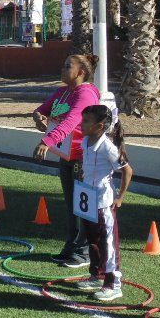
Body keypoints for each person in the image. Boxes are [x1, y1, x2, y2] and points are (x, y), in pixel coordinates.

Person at [32, 55, 101, 268]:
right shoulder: (64, 92)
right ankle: (71, 246)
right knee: (72, 205)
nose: (62, 69)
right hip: (66, 156)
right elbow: (44, 109)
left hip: (83, 158)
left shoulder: (86, 94)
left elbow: (72, 122)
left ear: (81, 72)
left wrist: (47, 141)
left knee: (83, 206)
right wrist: (37, 116)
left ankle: (85, 252)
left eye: (67, 66)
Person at [74, 105, 133, 302]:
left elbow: (127, 171)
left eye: (86, 121)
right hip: (88, 199)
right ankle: (97, 275)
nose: (82, 124)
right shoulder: (85, 141)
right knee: (93, 240)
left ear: (99, 126)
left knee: (108, 243)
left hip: (103, 201)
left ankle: (113, 284)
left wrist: (120, 197)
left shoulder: (108, 147)